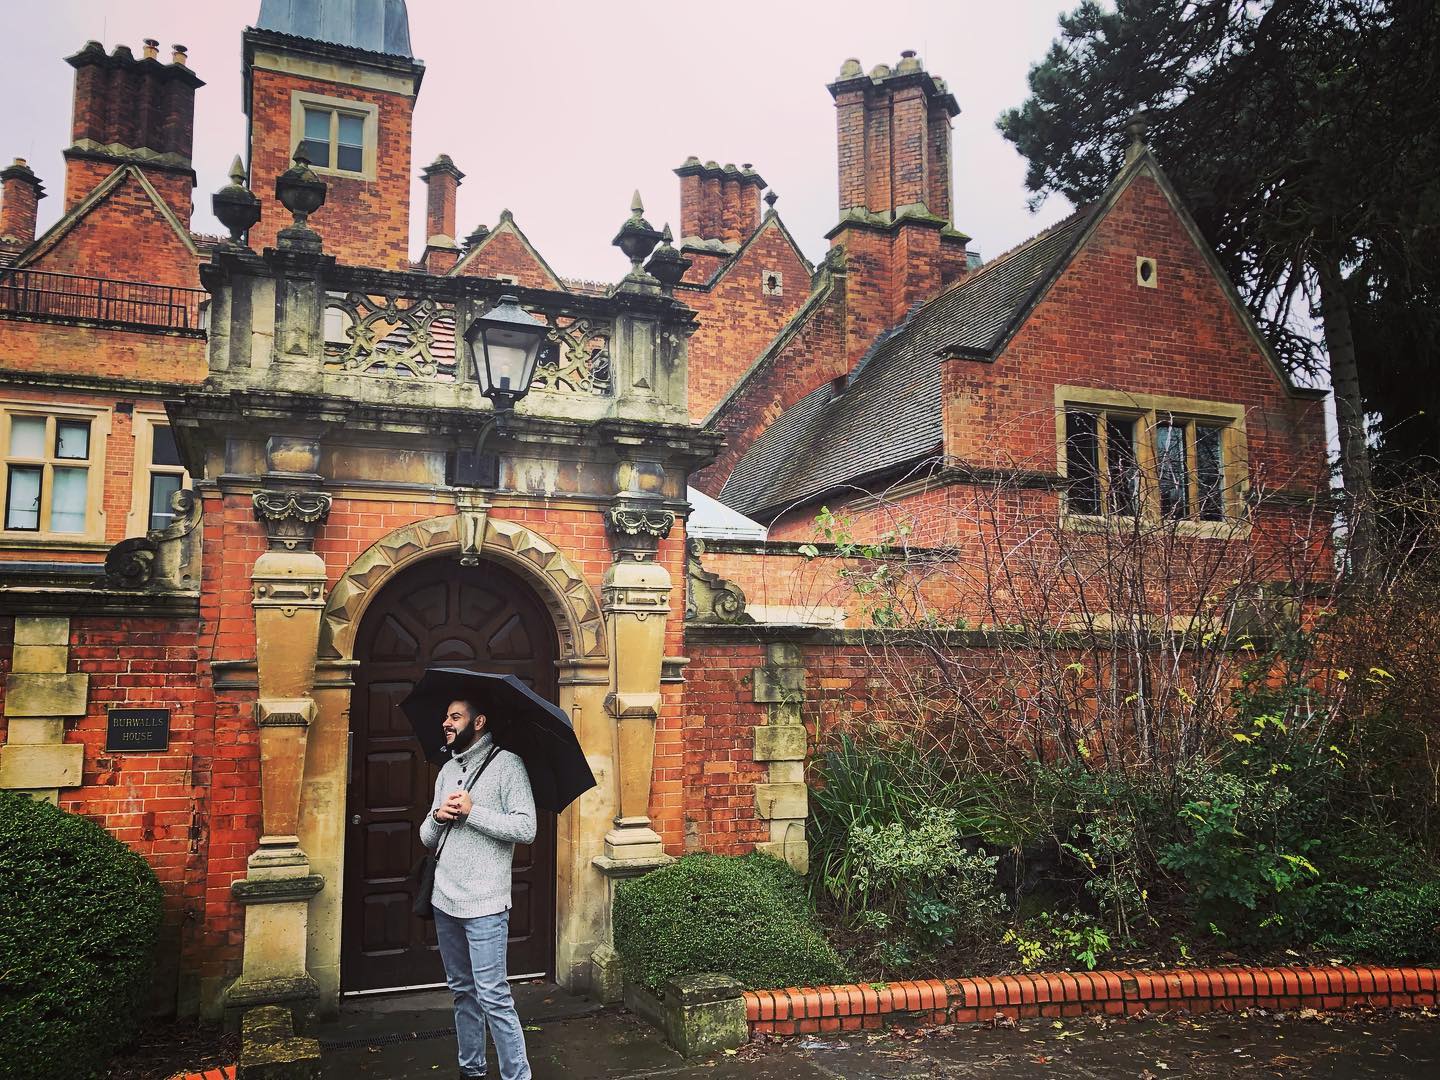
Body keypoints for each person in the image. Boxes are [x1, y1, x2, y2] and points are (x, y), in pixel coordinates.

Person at [419, 698, 537, 1080]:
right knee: (462, 993)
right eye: (446, 716)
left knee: (493, 996)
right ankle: (471, 1070)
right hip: (444, 899)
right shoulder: (448, 769)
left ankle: (517, 1076)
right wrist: (439, 816)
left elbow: (526, 829)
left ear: (479, 722)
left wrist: (473, 812)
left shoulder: (508, 765)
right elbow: (425, 837)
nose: (446, 723)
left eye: (455, 717)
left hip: (485, 902)